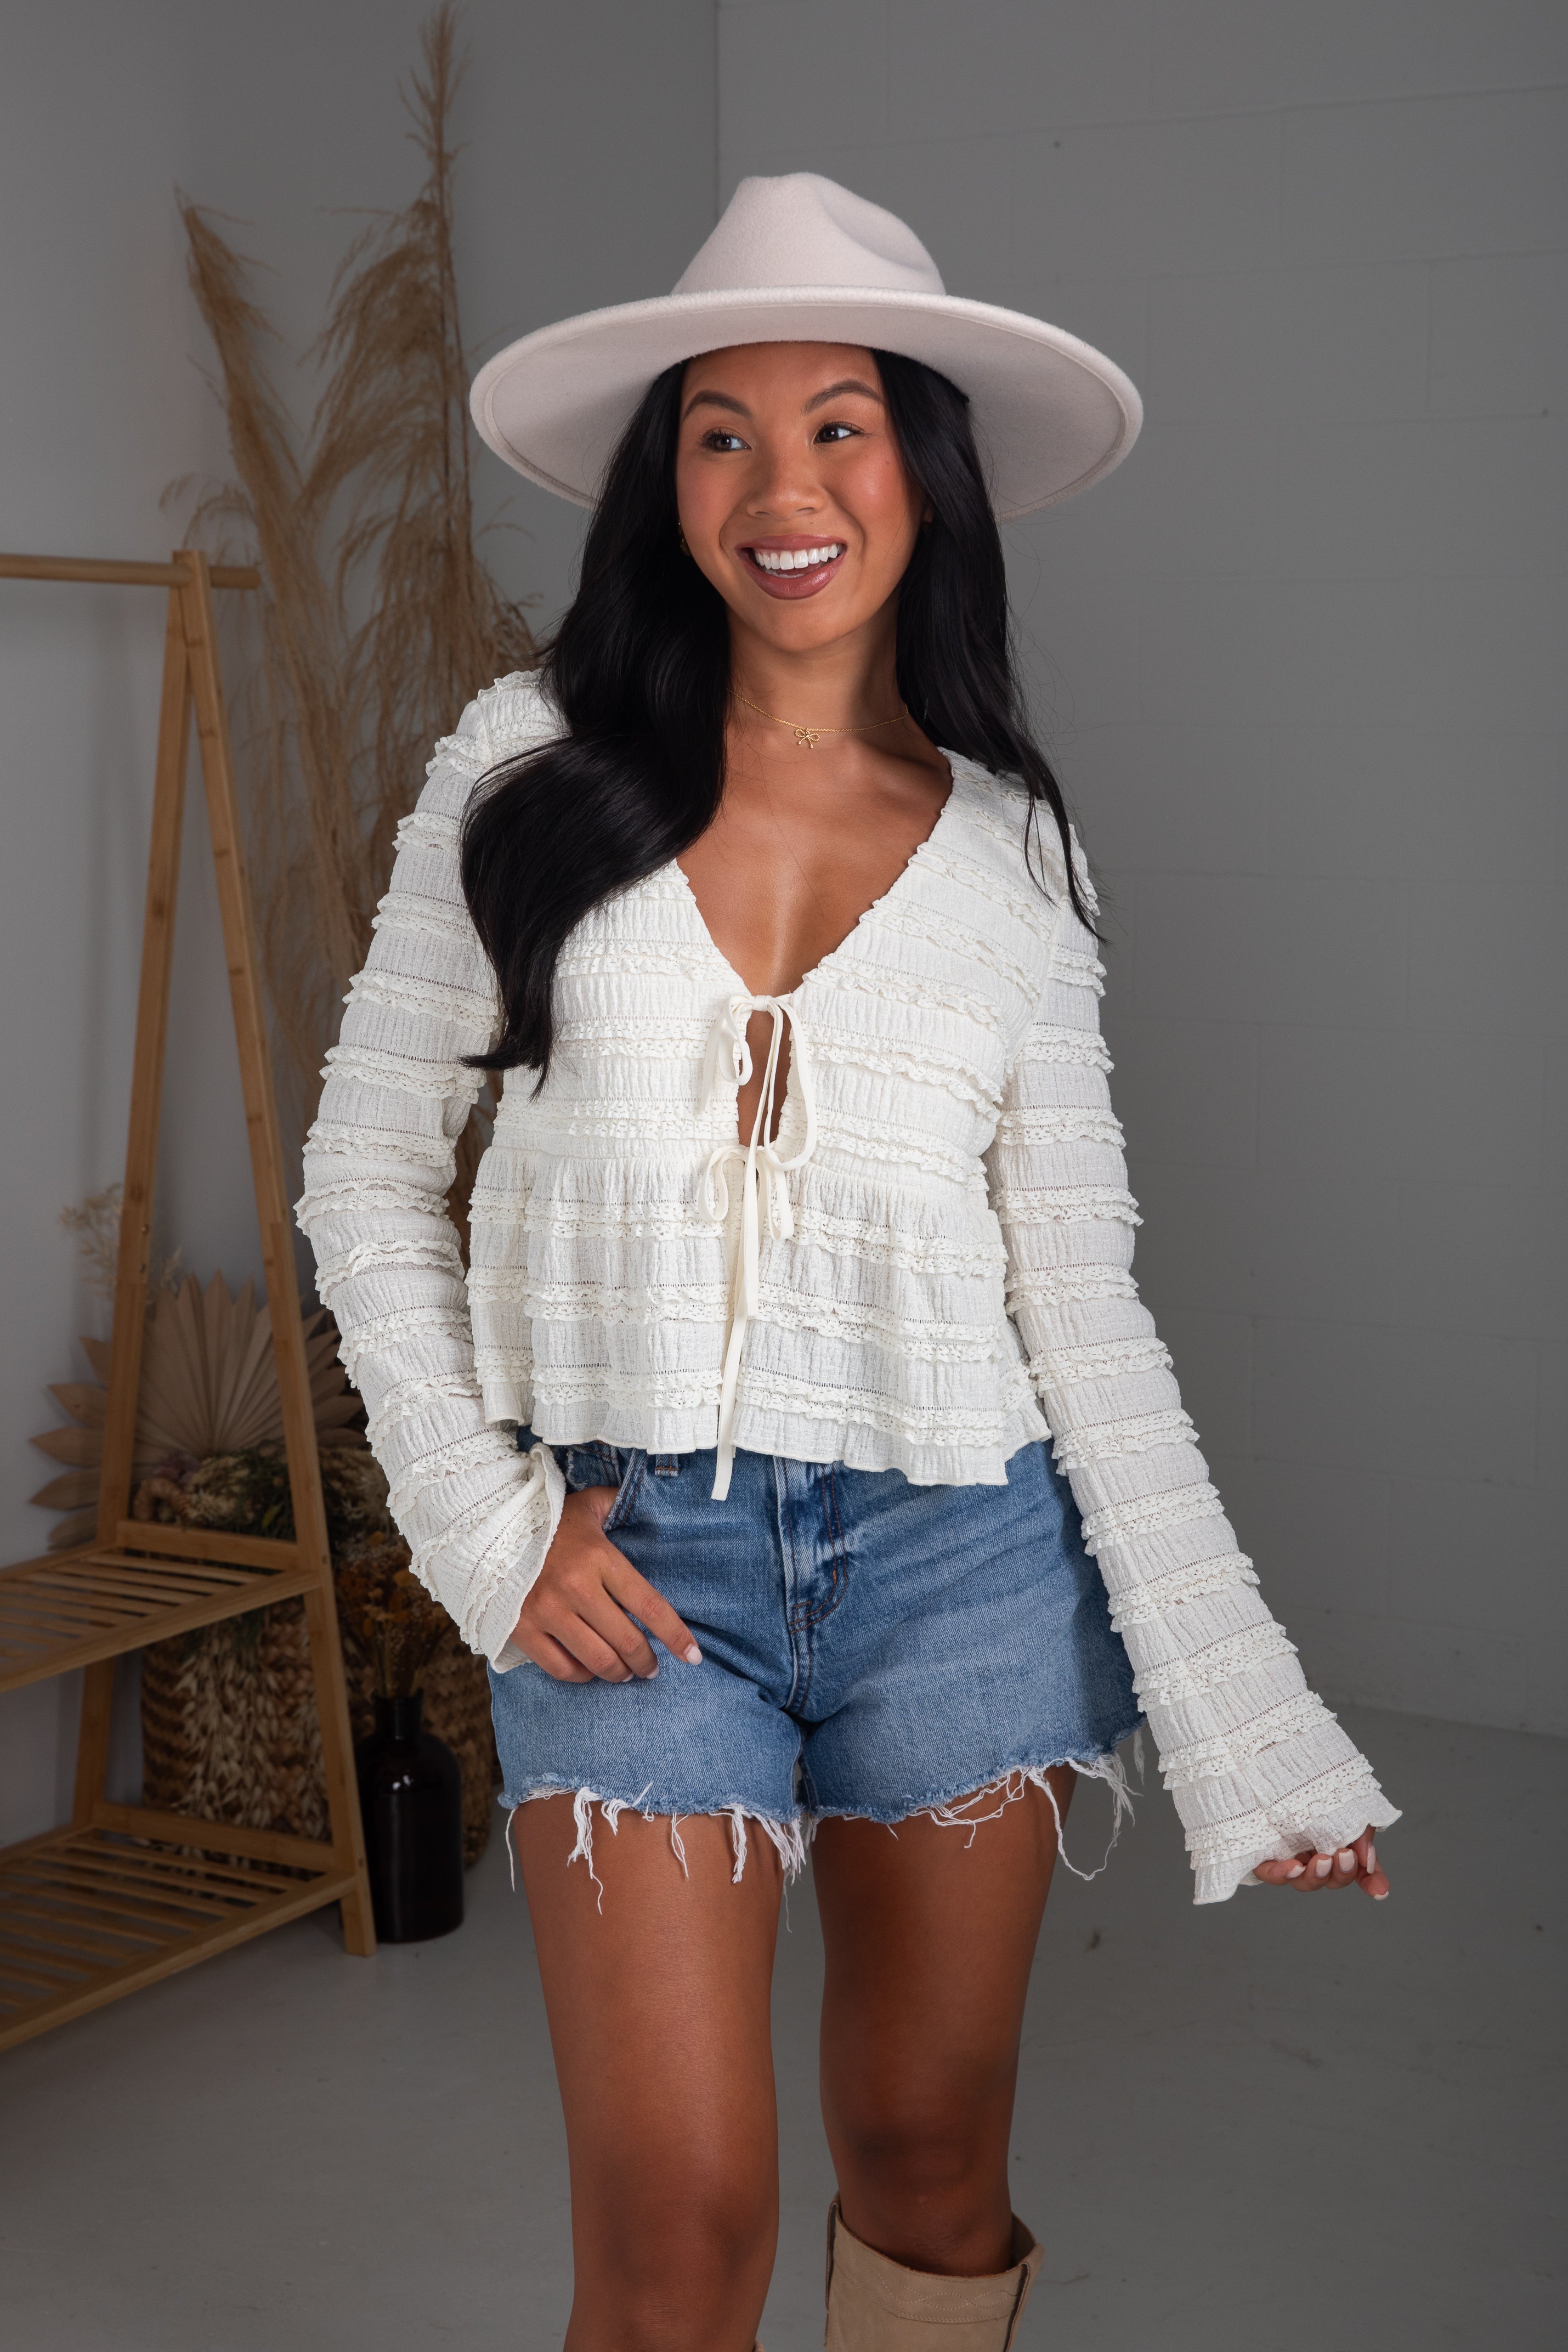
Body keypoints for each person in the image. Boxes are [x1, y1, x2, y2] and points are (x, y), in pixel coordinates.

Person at [299, 174, 1399, 2352]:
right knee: (681, 2222)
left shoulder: (1014, 849)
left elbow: (1079, 1299)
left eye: (838, 425)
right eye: (719, 429)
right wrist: (485, 1523)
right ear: (661, 482)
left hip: (959, 1561)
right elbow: (360, 1173)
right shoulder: (522, 775)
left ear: (922, 475)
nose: (779, 484)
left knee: (928, 2163)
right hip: (628, 1567)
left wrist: (1251, 1718)